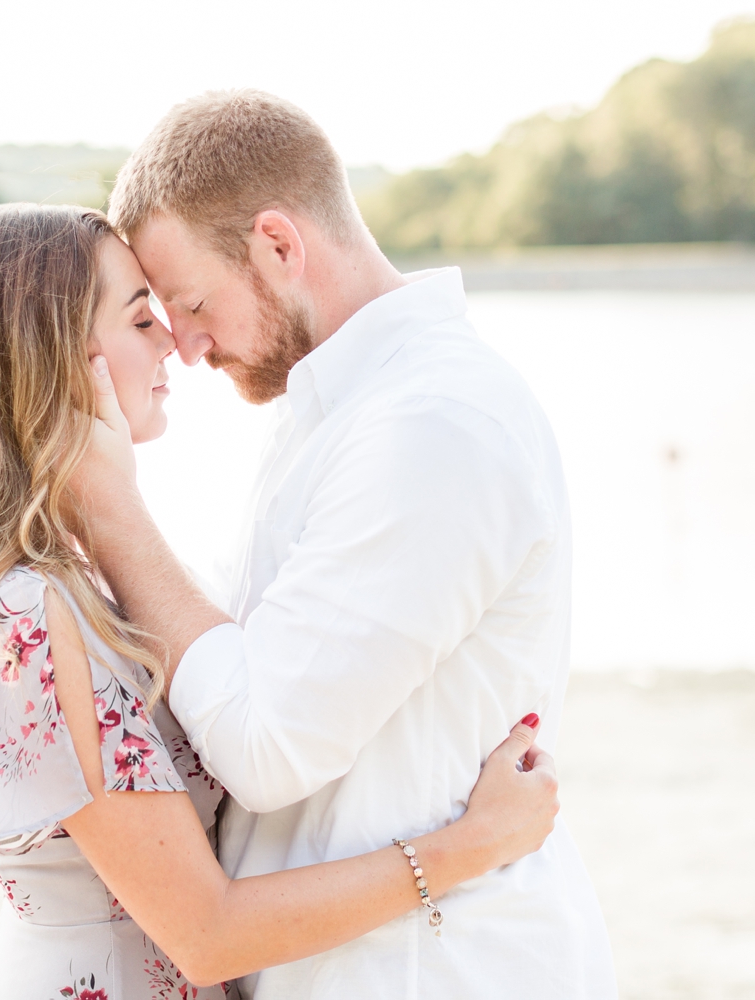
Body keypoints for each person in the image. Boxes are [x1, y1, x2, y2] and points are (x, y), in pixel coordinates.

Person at [0, 202, 560, 999]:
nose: (170, 339)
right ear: (55, 356)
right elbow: (207, 933)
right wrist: (475, 844)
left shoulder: (63, 582)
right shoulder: (25, 613)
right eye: (140, 319)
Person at [66, 90, 618, 999]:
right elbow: (240, 661)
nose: (191, 349)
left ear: (280, 246)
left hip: (432, 971)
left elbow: (266, 744)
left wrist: (112, 514)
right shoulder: (340, 415)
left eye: (194, 303)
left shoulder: (434, 424)